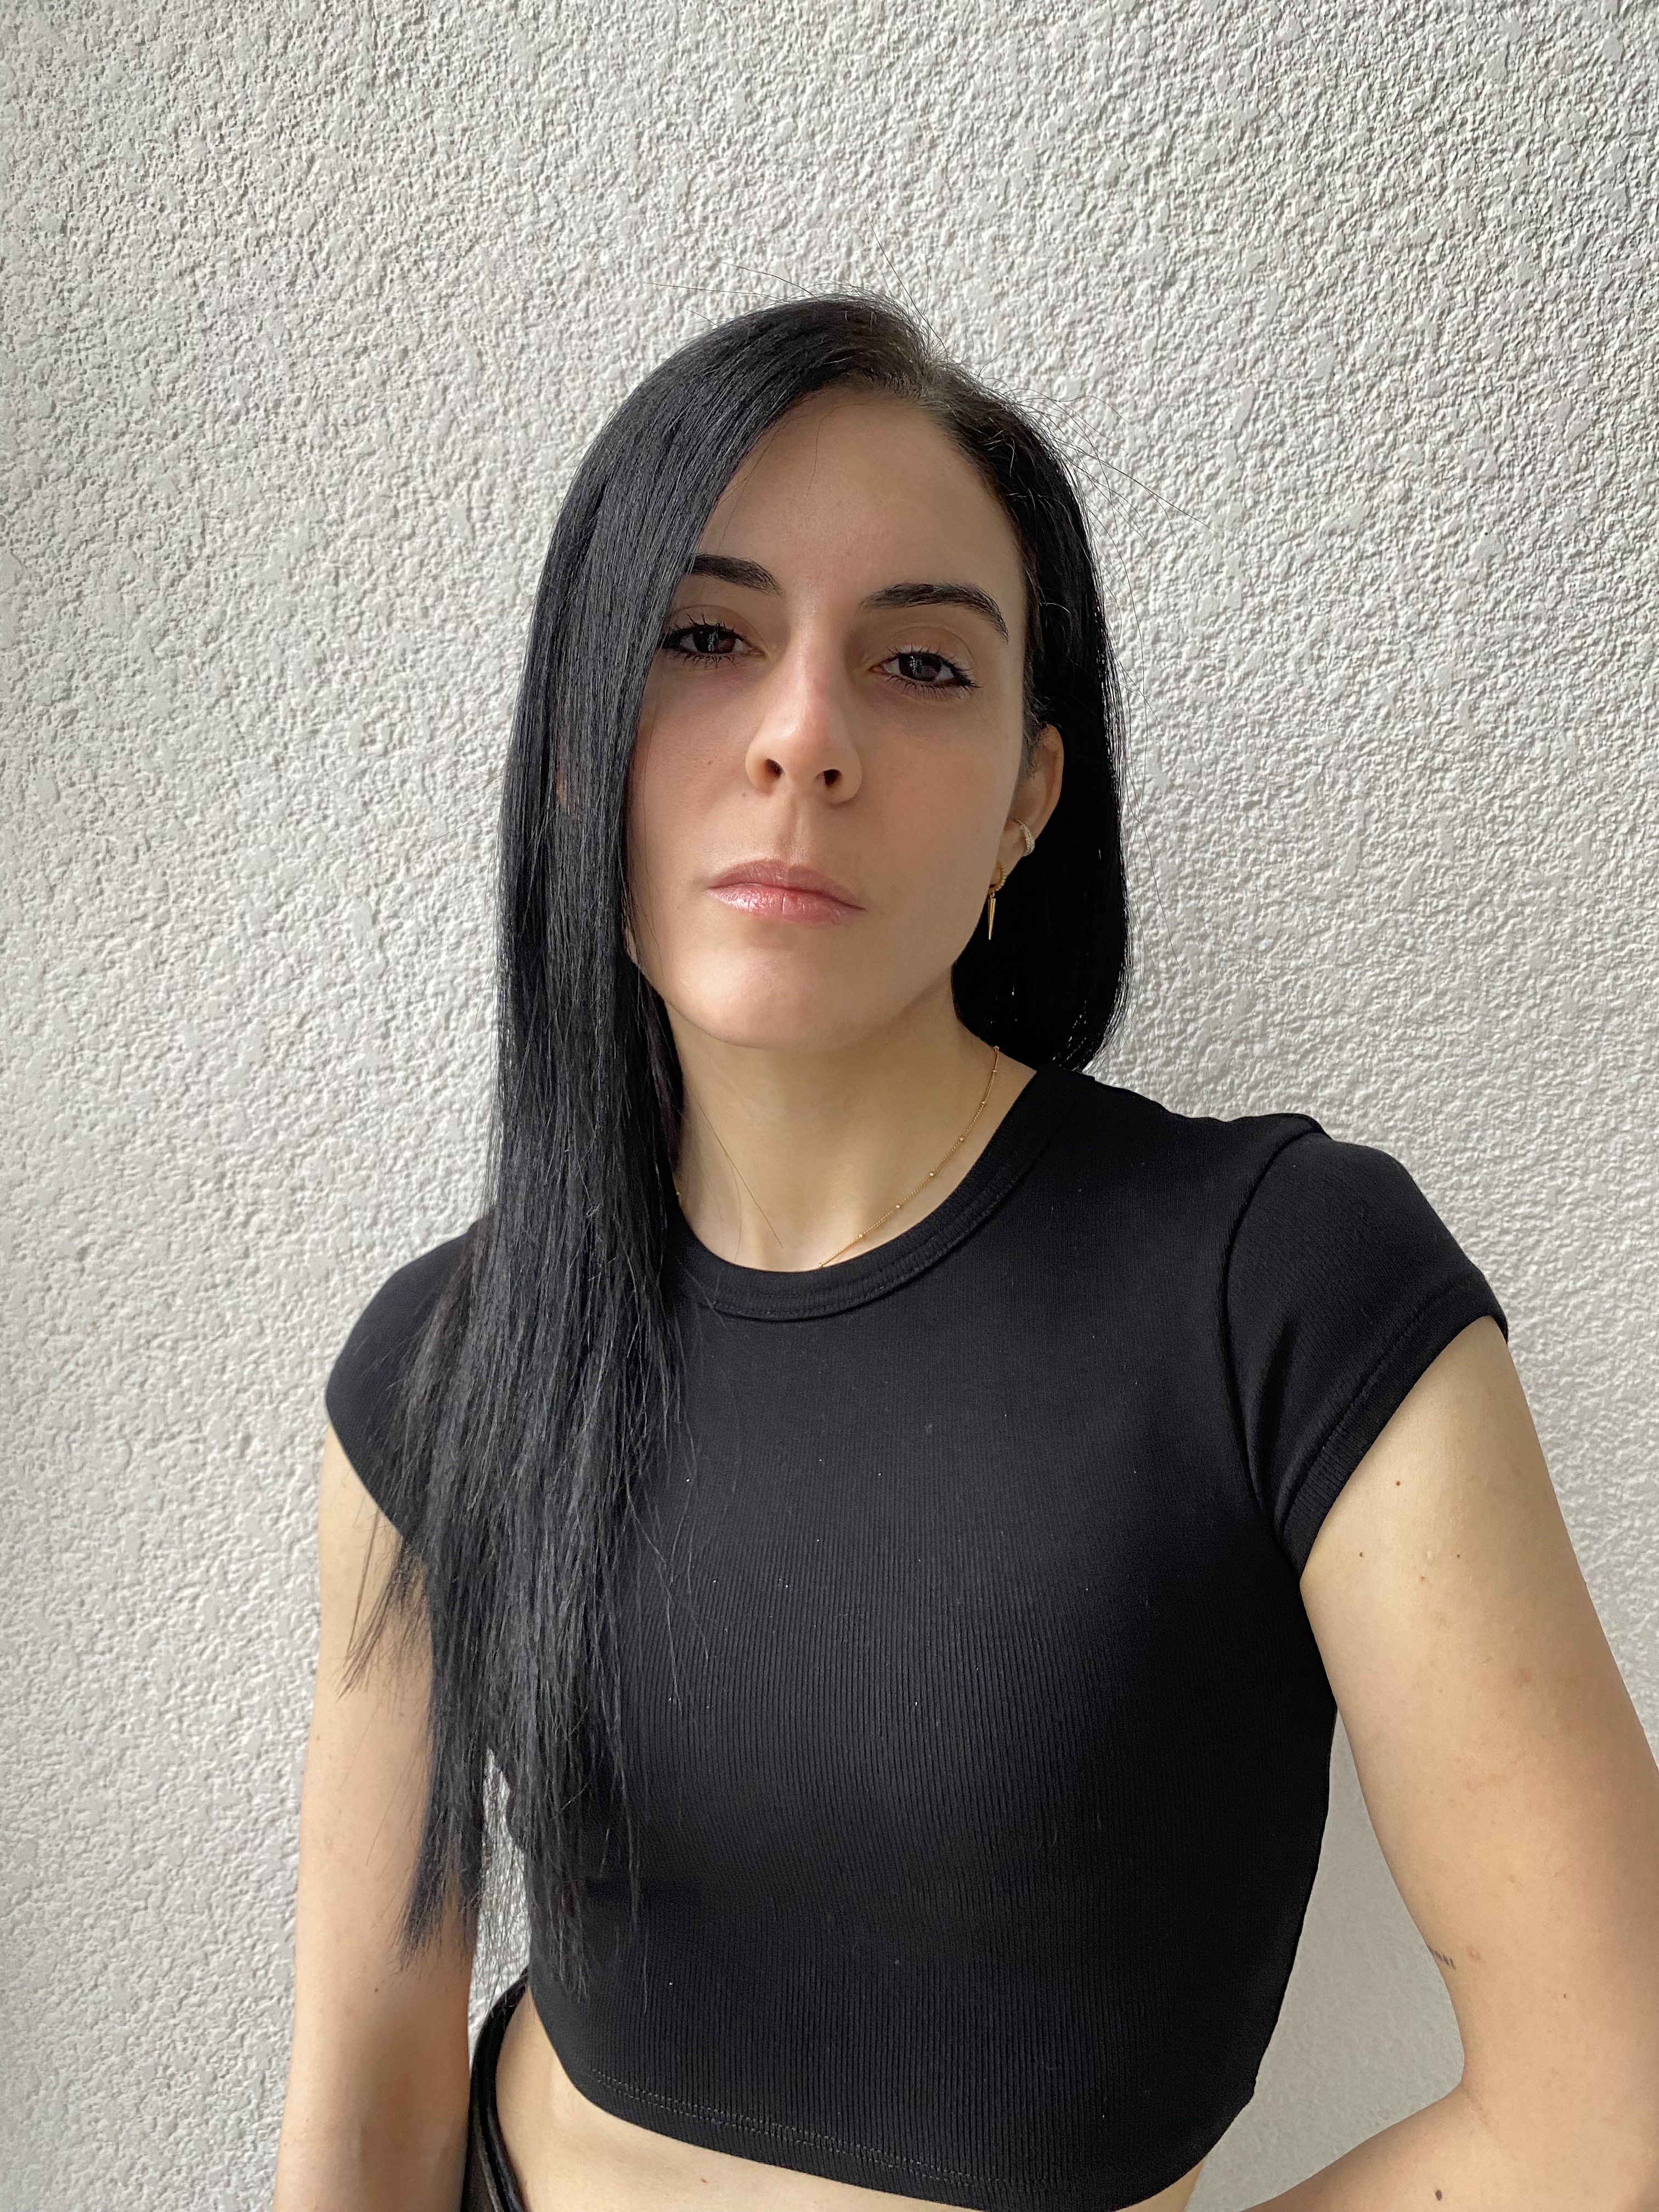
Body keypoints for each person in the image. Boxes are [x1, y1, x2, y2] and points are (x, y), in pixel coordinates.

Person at [271, 296, 1659, 2212]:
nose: (803, 739)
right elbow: (363, 2111)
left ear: (1028, 800)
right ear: (578, 756)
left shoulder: (1284, 1294)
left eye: (921, 663)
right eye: (704, 637)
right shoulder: (447, 1359)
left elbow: (1612, 2108)